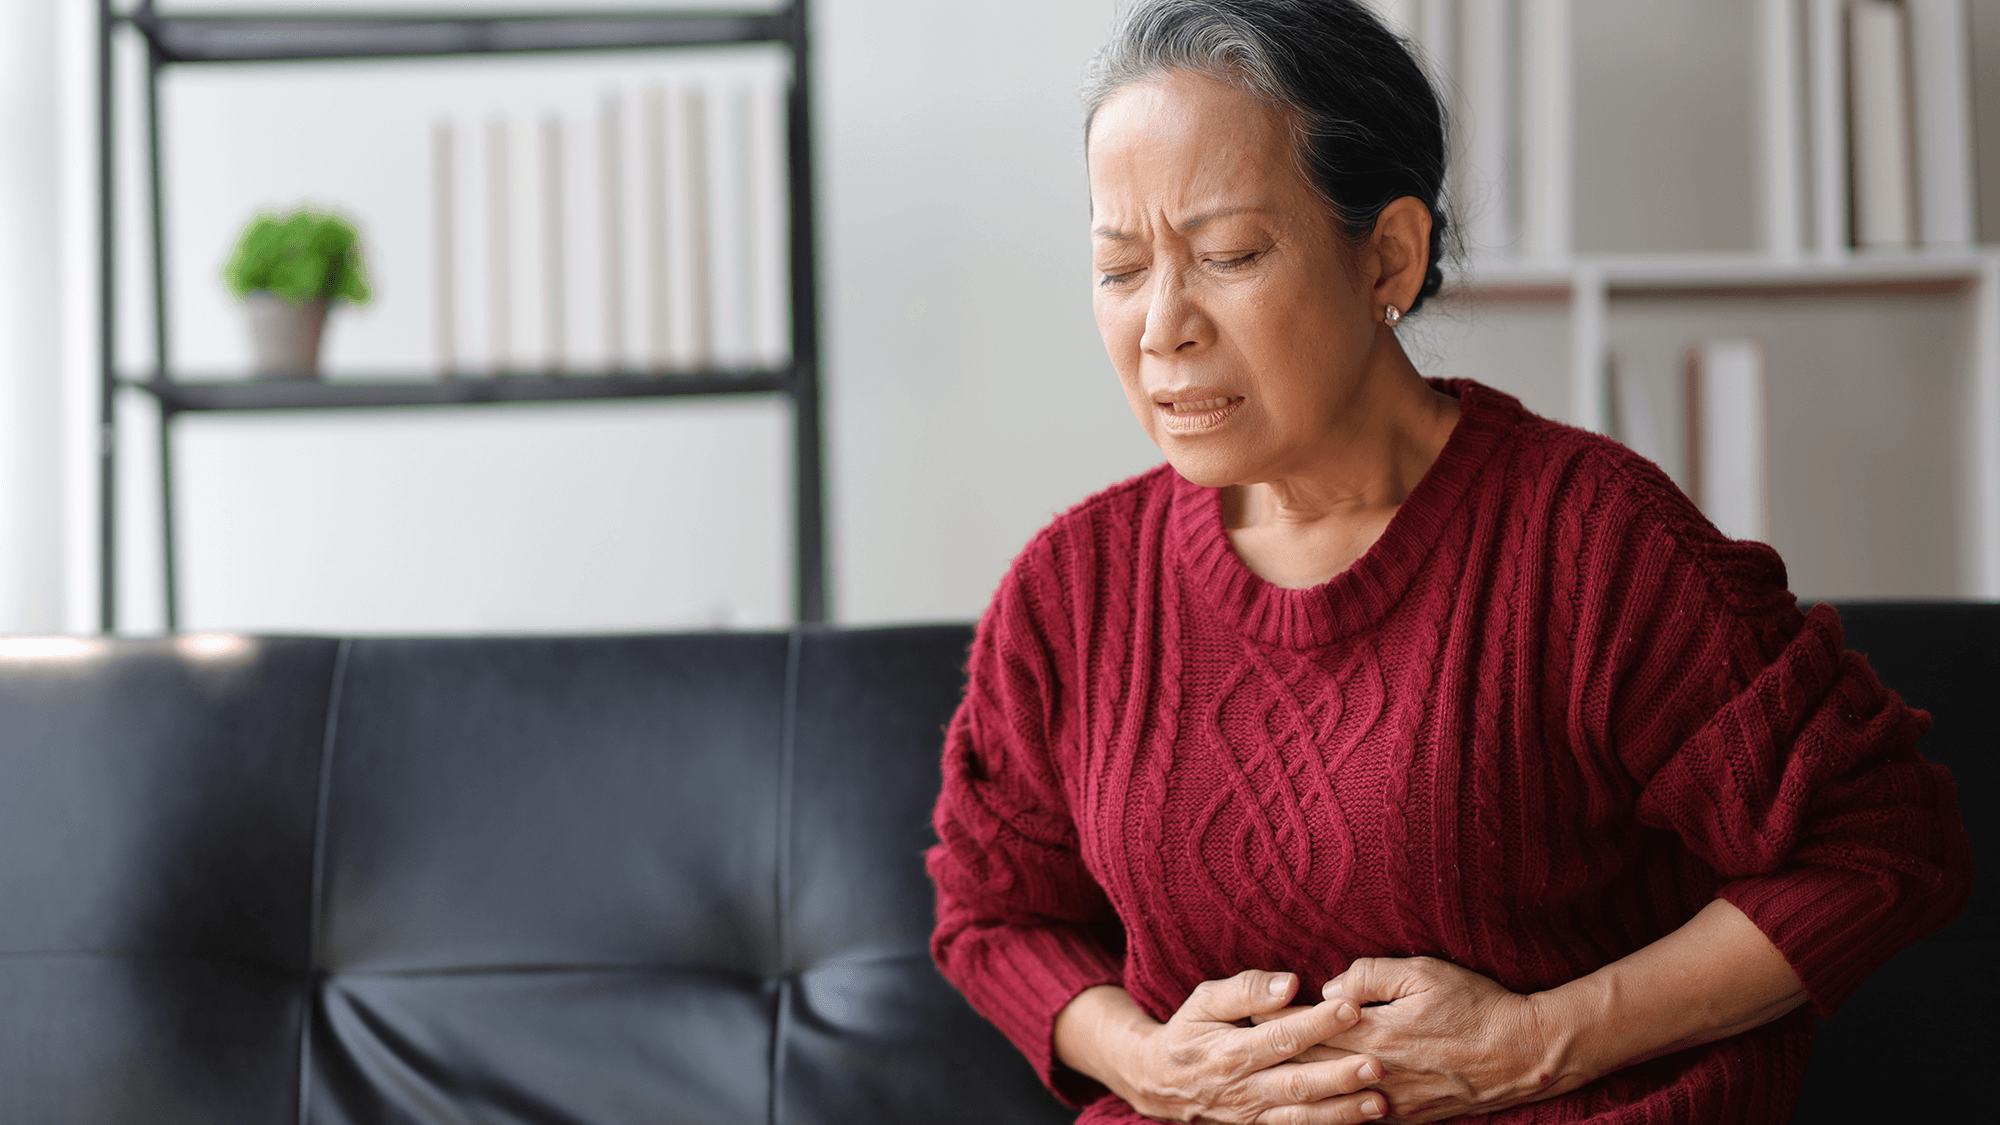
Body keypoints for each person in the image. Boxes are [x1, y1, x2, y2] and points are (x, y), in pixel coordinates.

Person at [924, 1, 1973, 1123]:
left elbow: (1876, 841)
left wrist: (1538, 1042)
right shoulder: (1070, 591)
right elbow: (993, 913)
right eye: (1120, 269)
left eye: (1227, 255)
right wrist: (1146, 1063)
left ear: (1388, 253)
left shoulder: (1590, 545)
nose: (1160, 327)